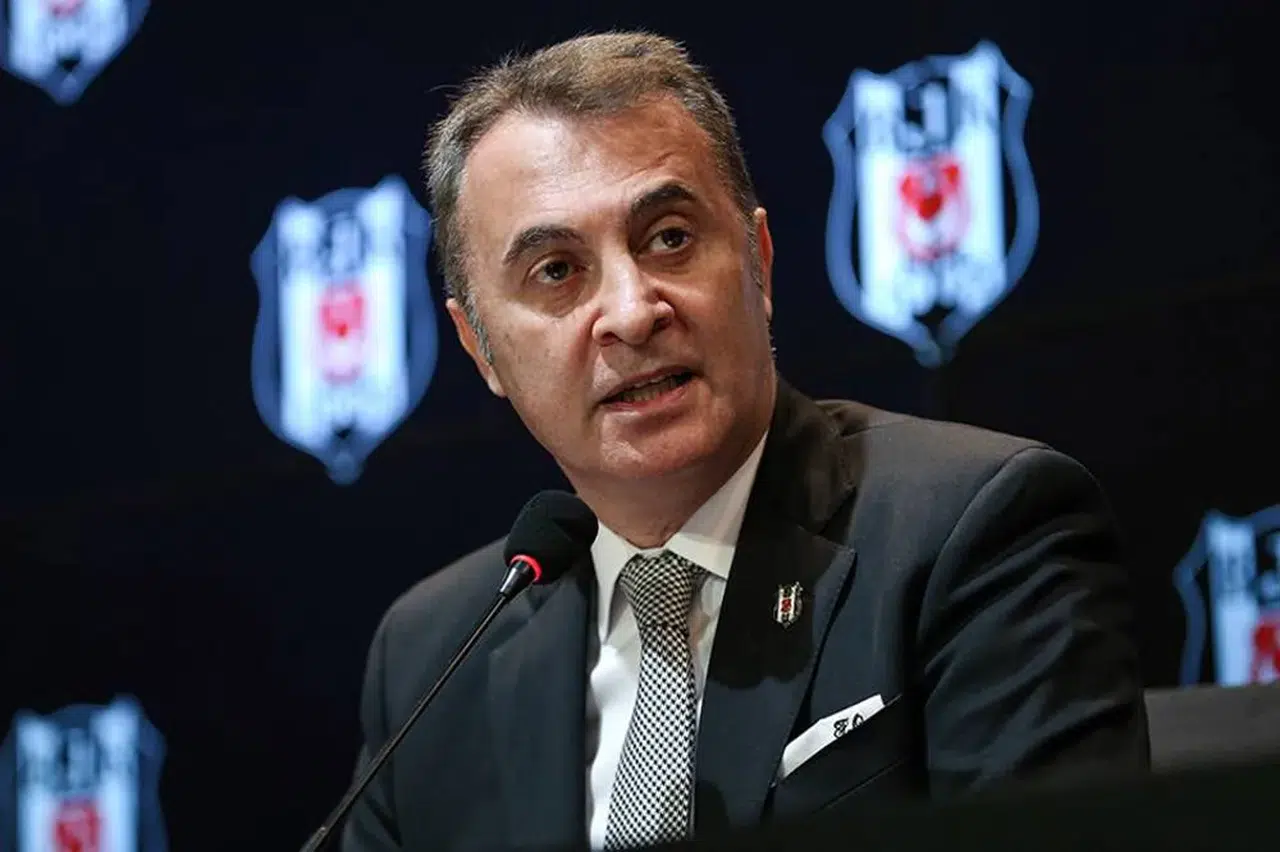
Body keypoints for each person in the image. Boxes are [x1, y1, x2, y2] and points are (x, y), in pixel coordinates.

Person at [341, 30, 1149, 852]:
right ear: (481, 349)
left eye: (669, 238)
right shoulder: (429, 658)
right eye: (556, 271)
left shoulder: (974, 535)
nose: (632, 313)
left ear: (757, 262)